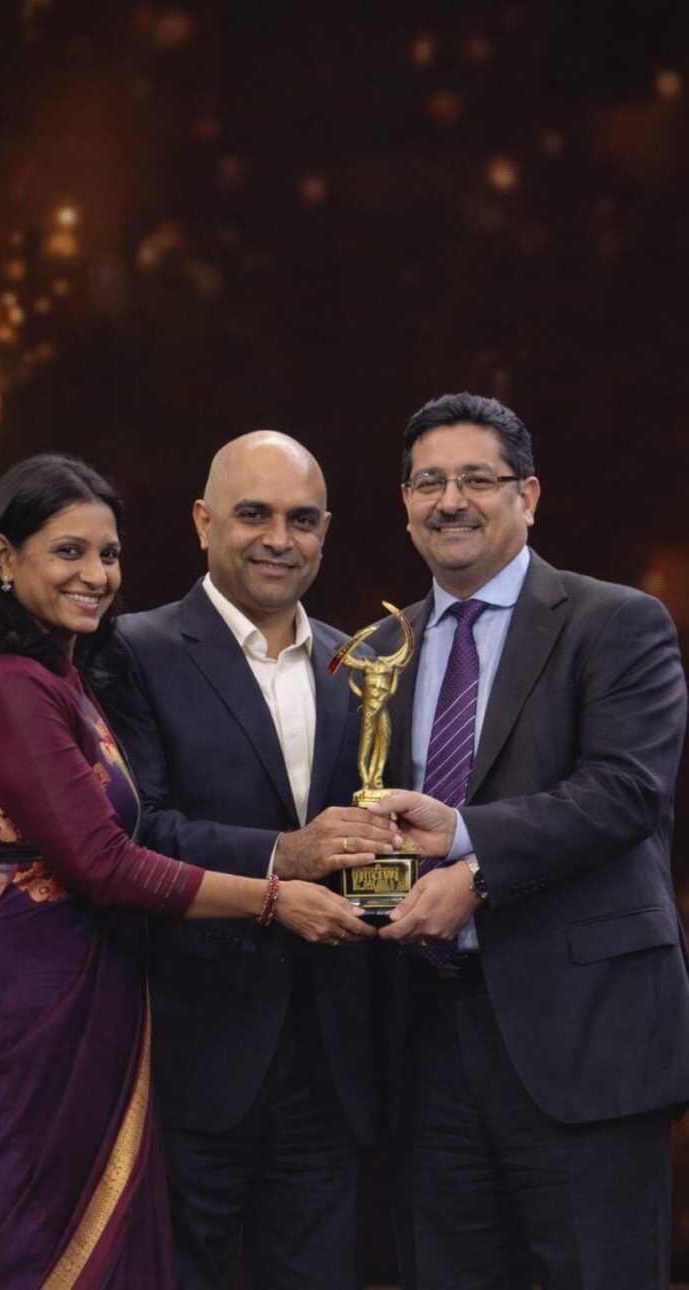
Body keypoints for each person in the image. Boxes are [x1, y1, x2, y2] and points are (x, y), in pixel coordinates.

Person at [0, 452, 372, 1290]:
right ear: (5, 557)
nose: (95, 575)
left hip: (98, 1011)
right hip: (19, 1021)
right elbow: (106, 861)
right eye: (68, 551)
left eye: (109, 554)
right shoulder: (11, 687)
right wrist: (276, 893)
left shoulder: (66, 679)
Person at [368, 392, 689, 1289]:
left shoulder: (615, 623)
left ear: (528, 496)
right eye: (429, 482)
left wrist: (471, 855)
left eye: (477, 479)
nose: (451, 501)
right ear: (405, 503)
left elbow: (626, 791)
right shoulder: (376, 652)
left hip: (583, 1041)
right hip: (423, 1045)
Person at [109, 431, 397, 1290]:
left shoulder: (364, 665)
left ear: (326, 532)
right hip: (188, 1056)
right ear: (204, 522)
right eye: (253, 515)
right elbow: (133, 835)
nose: (280, 539)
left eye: (302, 520)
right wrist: (285, 855)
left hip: (332, 1064)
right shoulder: (130, 650)